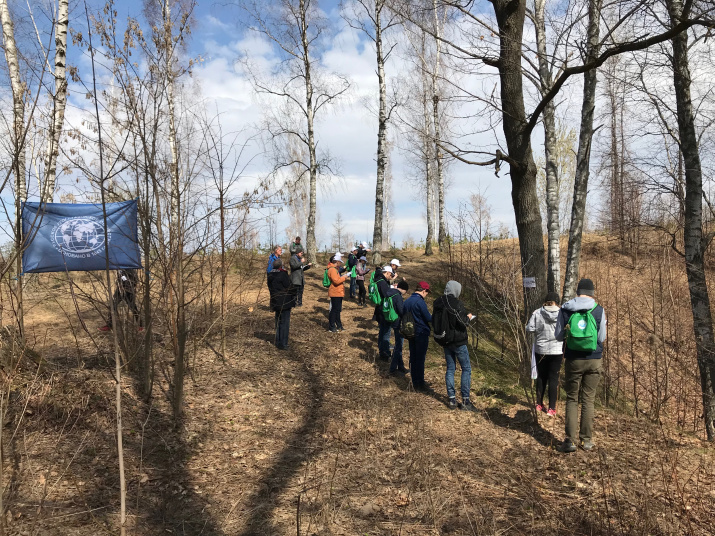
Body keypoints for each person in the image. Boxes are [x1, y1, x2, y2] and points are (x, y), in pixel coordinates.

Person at [555, 278, 606, 452]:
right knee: (588, 400)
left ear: (577, 292)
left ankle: (569, 441)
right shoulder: (599, 310)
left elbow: (558, 336)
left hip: (573, 360)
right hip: (594, 359)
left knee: (572, 399)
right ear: (592, 293)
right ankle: (587, 441)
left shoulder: (566, 309)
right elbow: (601, 338)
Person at [432, 281, 475, 409]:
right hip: (458, 341)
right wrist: (469, 317)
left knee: (450, 369)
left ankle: (451, 400)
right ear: (456, 290)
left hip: (445, 339)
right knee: (466, 369)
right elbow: (462, 323)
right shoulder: (456, 304)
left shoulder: (438, 302)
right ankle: (466, 401)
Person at [526, 291, 563, 416]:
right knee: (553, 379)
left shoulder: (537, 312)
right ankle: (552, 409)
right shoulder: (562, 313)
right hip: (557, 351)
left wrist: (538, 330)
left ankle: (539, 404)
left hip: (541, 349)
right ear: (557, 302)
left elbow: (529, 328)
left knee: (541, 377)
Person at [403, 281, 432, 390]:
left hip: (410, 332)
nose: (427, 294)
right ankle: (420, 383)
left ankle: (414, 380)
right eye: (427, 292)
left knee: (413, 357)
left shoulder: (407, 301)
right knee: (420, 358)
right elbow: (428, 318)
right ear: (424, 290)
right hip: (421, 332)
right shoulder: (420, 302)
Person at [267, 259, 297, 350]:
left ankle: (278, 341)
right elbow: (289, 287)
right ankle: (283, 343)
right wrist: (295, 291)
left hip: (275, 301)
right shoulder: (283, 274)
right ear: (281, 266)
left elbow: (270, 287)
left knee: (278, 321)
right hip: (285, 302)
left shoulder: (270, 275)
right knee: (284, 323)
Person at [385, 280, 409, 374]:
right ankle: (393, 369)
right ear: (403, 289)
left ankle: (401, 366)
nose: (405, 293)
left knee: (398, 344)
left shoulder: (390, 293)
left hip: (392, 320)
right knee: (398, 346)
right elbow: (401, 310)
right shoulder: (397, 296)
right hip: (398, 323)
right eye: (405, 291)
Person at [374, 266, 395, 359]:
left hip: (379, 308)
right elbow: (386, 294)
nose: (391, 277)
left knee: (382, 330)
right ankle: (385, 352)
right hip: (384, 309)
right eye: (391, 275)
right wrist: (394, 290)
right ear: (387, 273)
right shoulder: (382, 282)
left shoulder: (378, 280)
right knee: (386, 331)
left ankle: (382, 350)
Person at [327, 253, 350, 332]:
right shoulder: (332, 270)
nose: (340, 264)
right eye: (340, 262)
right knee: (334, 310)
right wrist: (344, 277)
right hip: (335, 292)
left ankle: (339, 326)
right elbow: (336, 281)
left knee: (337, 310)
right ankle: (331, 326)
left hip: (338, 292)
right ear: (336, 262)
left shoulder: (334, 269)